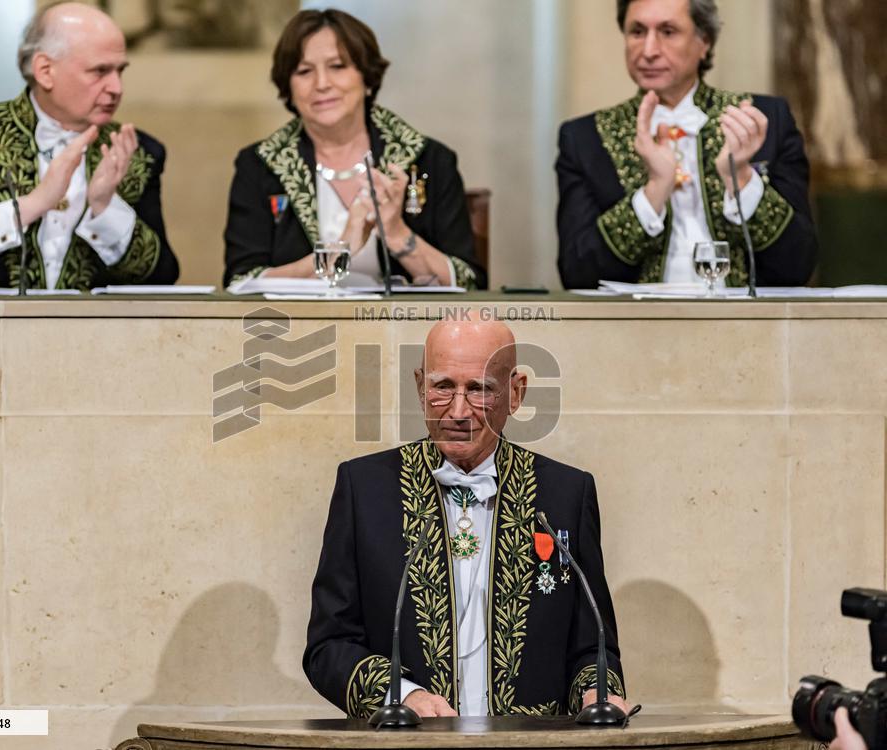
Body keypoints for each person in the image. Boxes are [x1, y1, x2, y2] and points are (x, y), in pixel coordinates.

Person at [303, 315, 626, 717]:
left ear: (515, 393)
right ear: (420, 387)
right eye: (442, 387)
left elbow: (593, 645)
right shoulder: (364, 489)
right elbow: (329, 645)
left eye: (479, 389)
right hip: (409, 742)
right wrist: (402, 696)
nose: (458, 411)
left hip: (531, 743)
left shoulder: (566, 494)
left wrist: (597, 693)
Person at [0, 2, 178, 290]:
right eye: (100, 71)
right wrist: (34, 203)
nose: (116, 88)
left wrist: (105, 208)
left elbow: (162, 277)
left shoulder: (137, 152)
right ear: (45, 70)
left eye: (120, 71)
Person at [555, 0, 817, 290]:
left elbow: (798, 266)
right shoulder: (585, 138)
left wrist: (741, 179)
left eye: (668, 32)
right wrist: (653, 192)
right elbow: (576, 274)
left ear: (704, 41)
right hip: (635, 318)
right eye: (637, 32)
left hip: (746, 317)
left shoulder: (761, 120)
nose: (649, 51)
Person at [223, 9, 485, 290]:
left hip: (398, 320)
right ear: (288, 87)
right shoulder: (260, 165)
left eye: (338, 66)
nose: (322, 84)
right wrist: (341, 247)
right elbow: (241, 281)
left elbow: (469, 283)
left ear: (366, 77)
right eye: (304, 71)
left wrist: (396, 234)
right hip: (295, 321)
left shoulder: (429, 160)